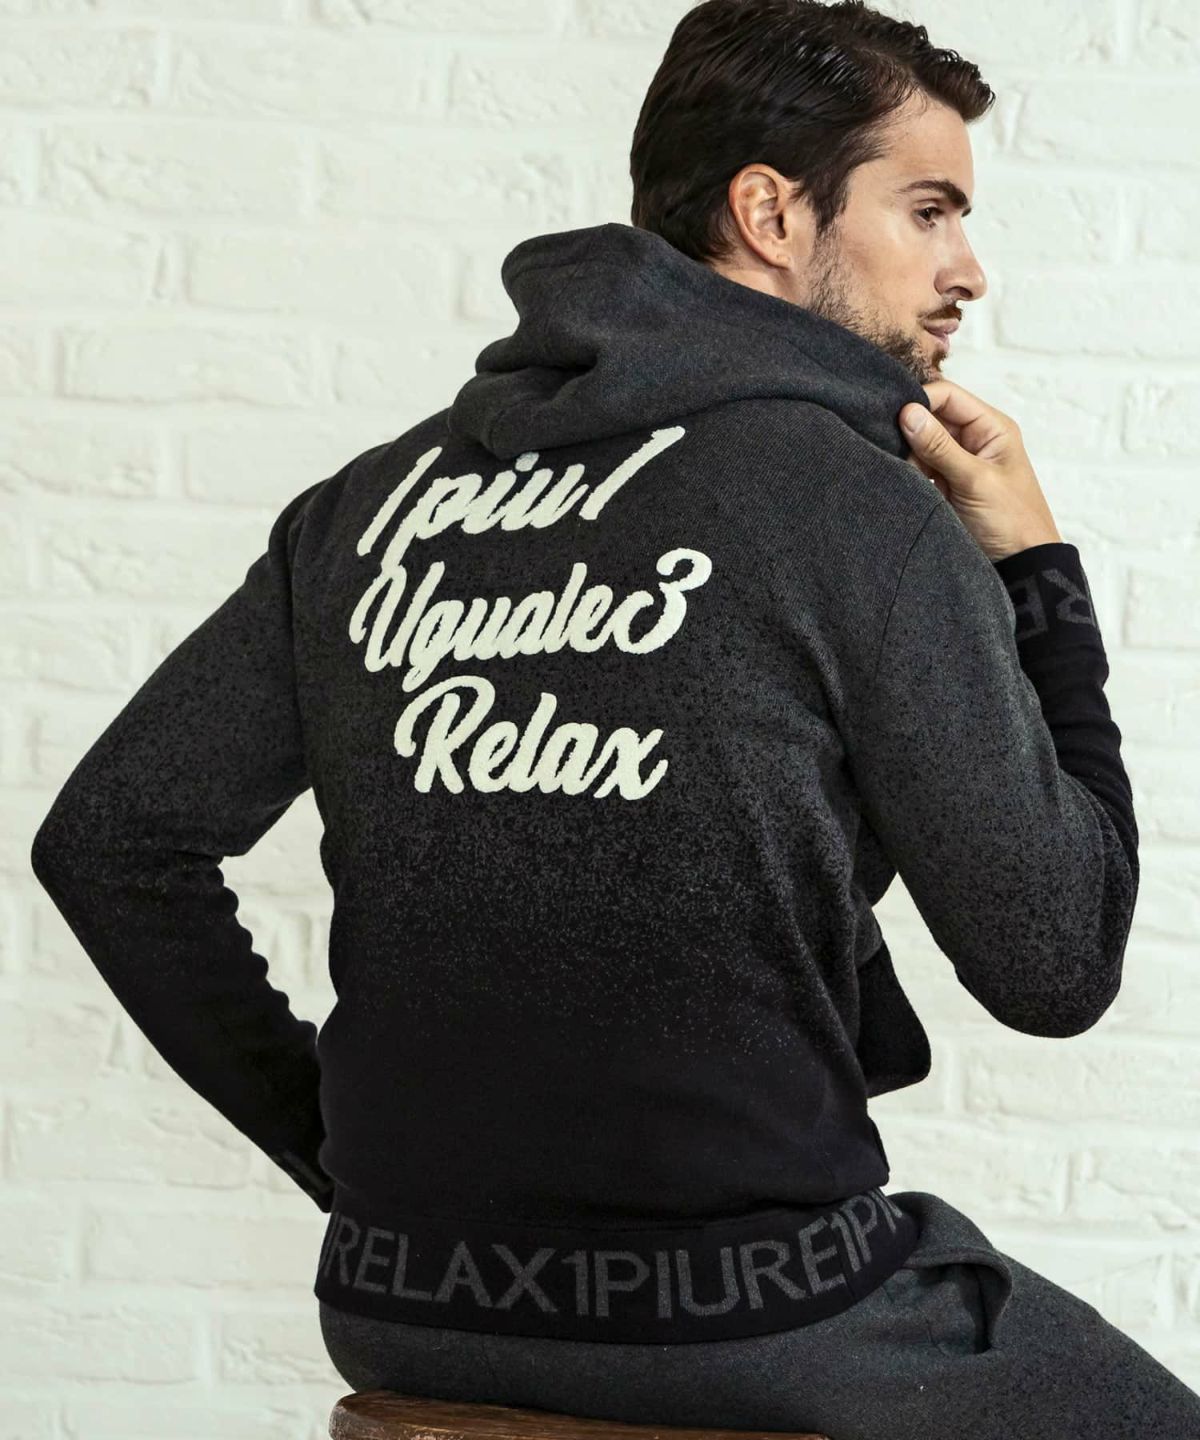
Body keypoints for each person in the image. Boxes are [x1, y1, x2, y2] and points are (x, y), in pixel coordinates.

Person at [29, 2, 1199, 1436]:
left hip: (401, 1301)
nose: (967, 270)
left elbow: (111, 843)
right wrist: (1035, 573)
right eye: (929, 210)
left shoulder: (372, 506)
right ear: (773, 212)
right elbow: (1056, 961)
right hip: (755, 1317)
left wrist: (349, 1162)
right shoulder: (853, 511)